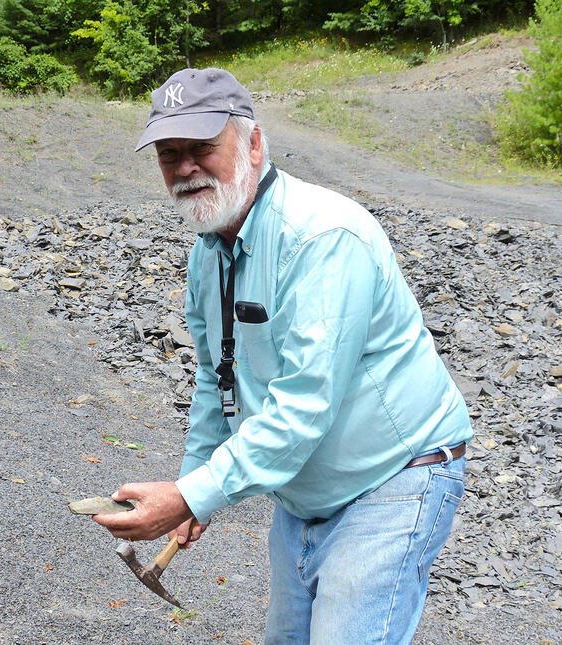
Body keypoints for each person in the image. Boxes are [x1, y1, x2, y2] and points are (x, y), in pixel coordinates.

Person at [95, 67, 473, 644]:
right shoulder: (208, 255)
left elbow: (304, 406)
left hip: (396, 476)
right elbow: (214, 376)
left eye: (202, 148)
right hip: (307, 491)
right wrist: (196, 484)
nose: (186, 168)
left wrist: (190, 496)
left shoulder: (322, 238)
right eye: (170, 154)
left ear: (252, 143)